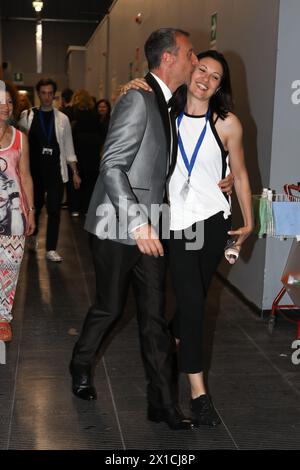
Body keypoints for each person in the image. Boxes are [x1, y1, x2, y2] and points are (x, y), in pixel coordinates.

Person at [70, 28, 200, 430]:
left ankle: (162, 403)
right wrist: (140, 222)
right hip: (118, 224)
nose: (194, 61)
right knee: (110, 306)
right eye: (190, 54)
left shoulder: (164, 100)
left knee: (153, 316)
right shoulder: (137, 99)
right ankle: (80, 363)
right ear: (168, 59)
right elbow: (112, 166)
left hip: (152, 227)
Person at [123, 50, 253, 426]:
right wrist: (132, 87)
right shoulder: (165, 115)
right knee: (194, 301)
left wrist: (249, 221)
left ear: (219, 85)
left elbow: (241, 174)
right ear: (189, 71)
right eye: (202, 70)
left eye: (215, 76)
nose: (206, 79)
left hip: (213, 223)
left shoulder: (228, 123)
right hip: (176, 223)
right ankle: (198, 393)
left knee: (193, 295)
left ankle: (174, 335)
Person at [18, 78, 81, 262]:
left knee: (54, 210)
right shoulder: (27, 116)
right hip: (34, 173)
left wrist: (75, 172)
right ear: (38, 94)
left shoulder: (63, 119)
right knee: (34, 208)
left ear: (54, 94)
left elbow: (69, 149)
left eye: (50, 93)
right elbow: (20, 146)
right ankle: (31, 237)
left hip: (55, 171)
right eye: (43, 93)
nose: (47, 97)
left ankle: (51, 249)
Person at [0, 81, 35, 342]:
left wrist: (31, 211)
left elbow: (25, 176)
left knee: (10, 267)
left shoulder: (20, 137)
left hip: (13, 215)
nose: (6, 106)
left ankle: (3, 318)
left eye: (9, 101)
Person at [69, 89, 102, 215]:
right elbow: (100, 133)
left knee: (76, 178)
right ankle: (88, 208)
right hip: (92, 151)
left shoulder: (73, 113)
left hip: (77, 149)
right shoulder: (95, 114)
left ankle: (75, 208)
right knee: (91, 181)